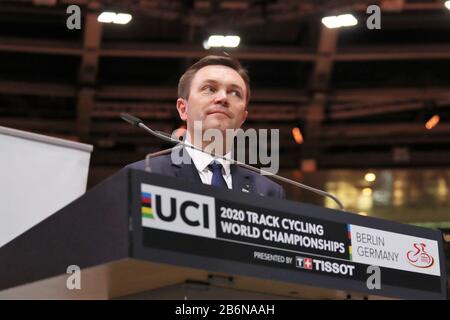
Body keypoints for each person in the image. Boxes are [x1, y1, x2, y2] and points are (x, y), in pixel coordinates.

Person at [127, 55, 285, 199]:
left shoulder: (268, 192)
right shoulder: (144, 175)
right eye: (209, 89)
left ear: (243, 117)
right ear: (183, 108)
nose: (223, 98)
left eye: (235, 93)